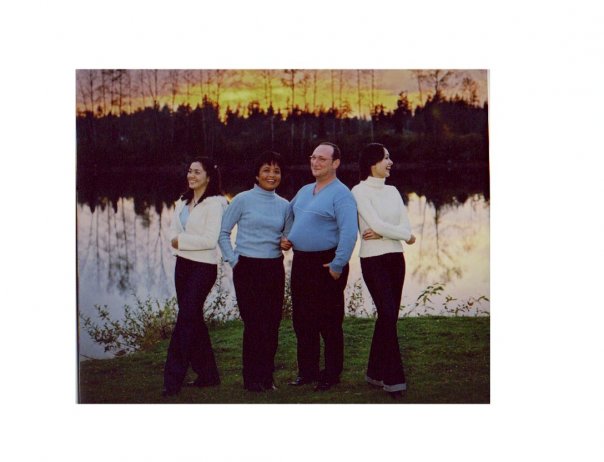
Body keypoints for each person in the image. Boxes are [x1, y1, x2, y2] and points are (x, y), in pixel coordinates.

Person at [281, 142, 358, 391]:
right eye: (313, 157)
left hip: (327, 263)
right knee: (303, 321)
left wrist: (338, 264)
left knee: (329, 323)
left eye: (322, 159)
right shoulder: (305, 190)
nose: (315, 162)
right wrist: (288, 235)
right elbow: (289, 213)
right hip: (302, 263)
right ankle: (308, 372)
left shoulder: (342, 194)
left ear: (336, 163)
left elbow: (349, 232)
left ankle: (331, 375)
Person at [218, 151, 292, 392]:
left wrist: (286, 242)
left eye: (276, 171)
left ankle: (267, 378)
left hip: (274, 268)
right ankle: (251, 379)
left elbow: (287, 236)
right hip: (246, 268)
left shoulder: (285, 205)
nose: (272, 175)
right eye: (266, 170)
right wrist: (233, 260)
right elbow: (223, 233)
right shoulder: (242, 200)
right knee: (253, 324)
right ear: (257, 175)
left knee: (272, 324)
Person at [351, 143, 416, 399]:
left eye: (389, 157)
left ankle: (374, 372)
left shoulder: (393, 191)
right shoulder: (358, 191)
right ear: (372, 163)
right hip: (373, 260)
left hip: (396, 259)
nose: (390, 162)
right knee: (388, 314)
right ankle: (394, 380)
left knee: (388, 317)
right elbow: (382, 226)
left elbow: (405, 226)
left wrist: (390, 233)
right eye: (386, 158)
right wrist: (403, 235)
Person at [162, 157, 227, 397]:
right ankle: (208, 375)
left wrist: (180, 241)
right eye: (190, 171)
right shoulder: (182, 201)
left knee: (185, 320)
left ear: (209, 177)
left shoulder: (216, 203)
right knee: (193, 318)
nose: (191, 176)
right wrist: (177, 241)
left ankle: (172, 380)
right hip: (183, 265)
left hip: (203, 267)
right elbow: (171, 231)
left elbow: (210, 240)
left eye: (197, 172)